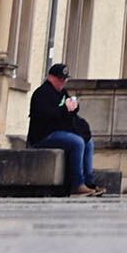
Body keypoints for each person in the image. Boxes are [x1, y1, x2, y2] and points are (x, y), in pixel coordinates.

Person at [27, 63, 104, 197]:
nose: (63, 82)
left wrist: (74, 107)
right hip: (44, 135)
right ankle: (77, 184)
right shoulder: (42, 93)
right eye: (60, 79)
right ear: (51, 77)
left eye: (65, 79)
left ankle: (89, 182)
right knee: (77, 142)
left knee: (88, 142)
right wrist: (65, 109)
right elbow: (45, 116)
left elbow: (69, 112)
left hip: (59, 131)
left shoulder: (62, 92)